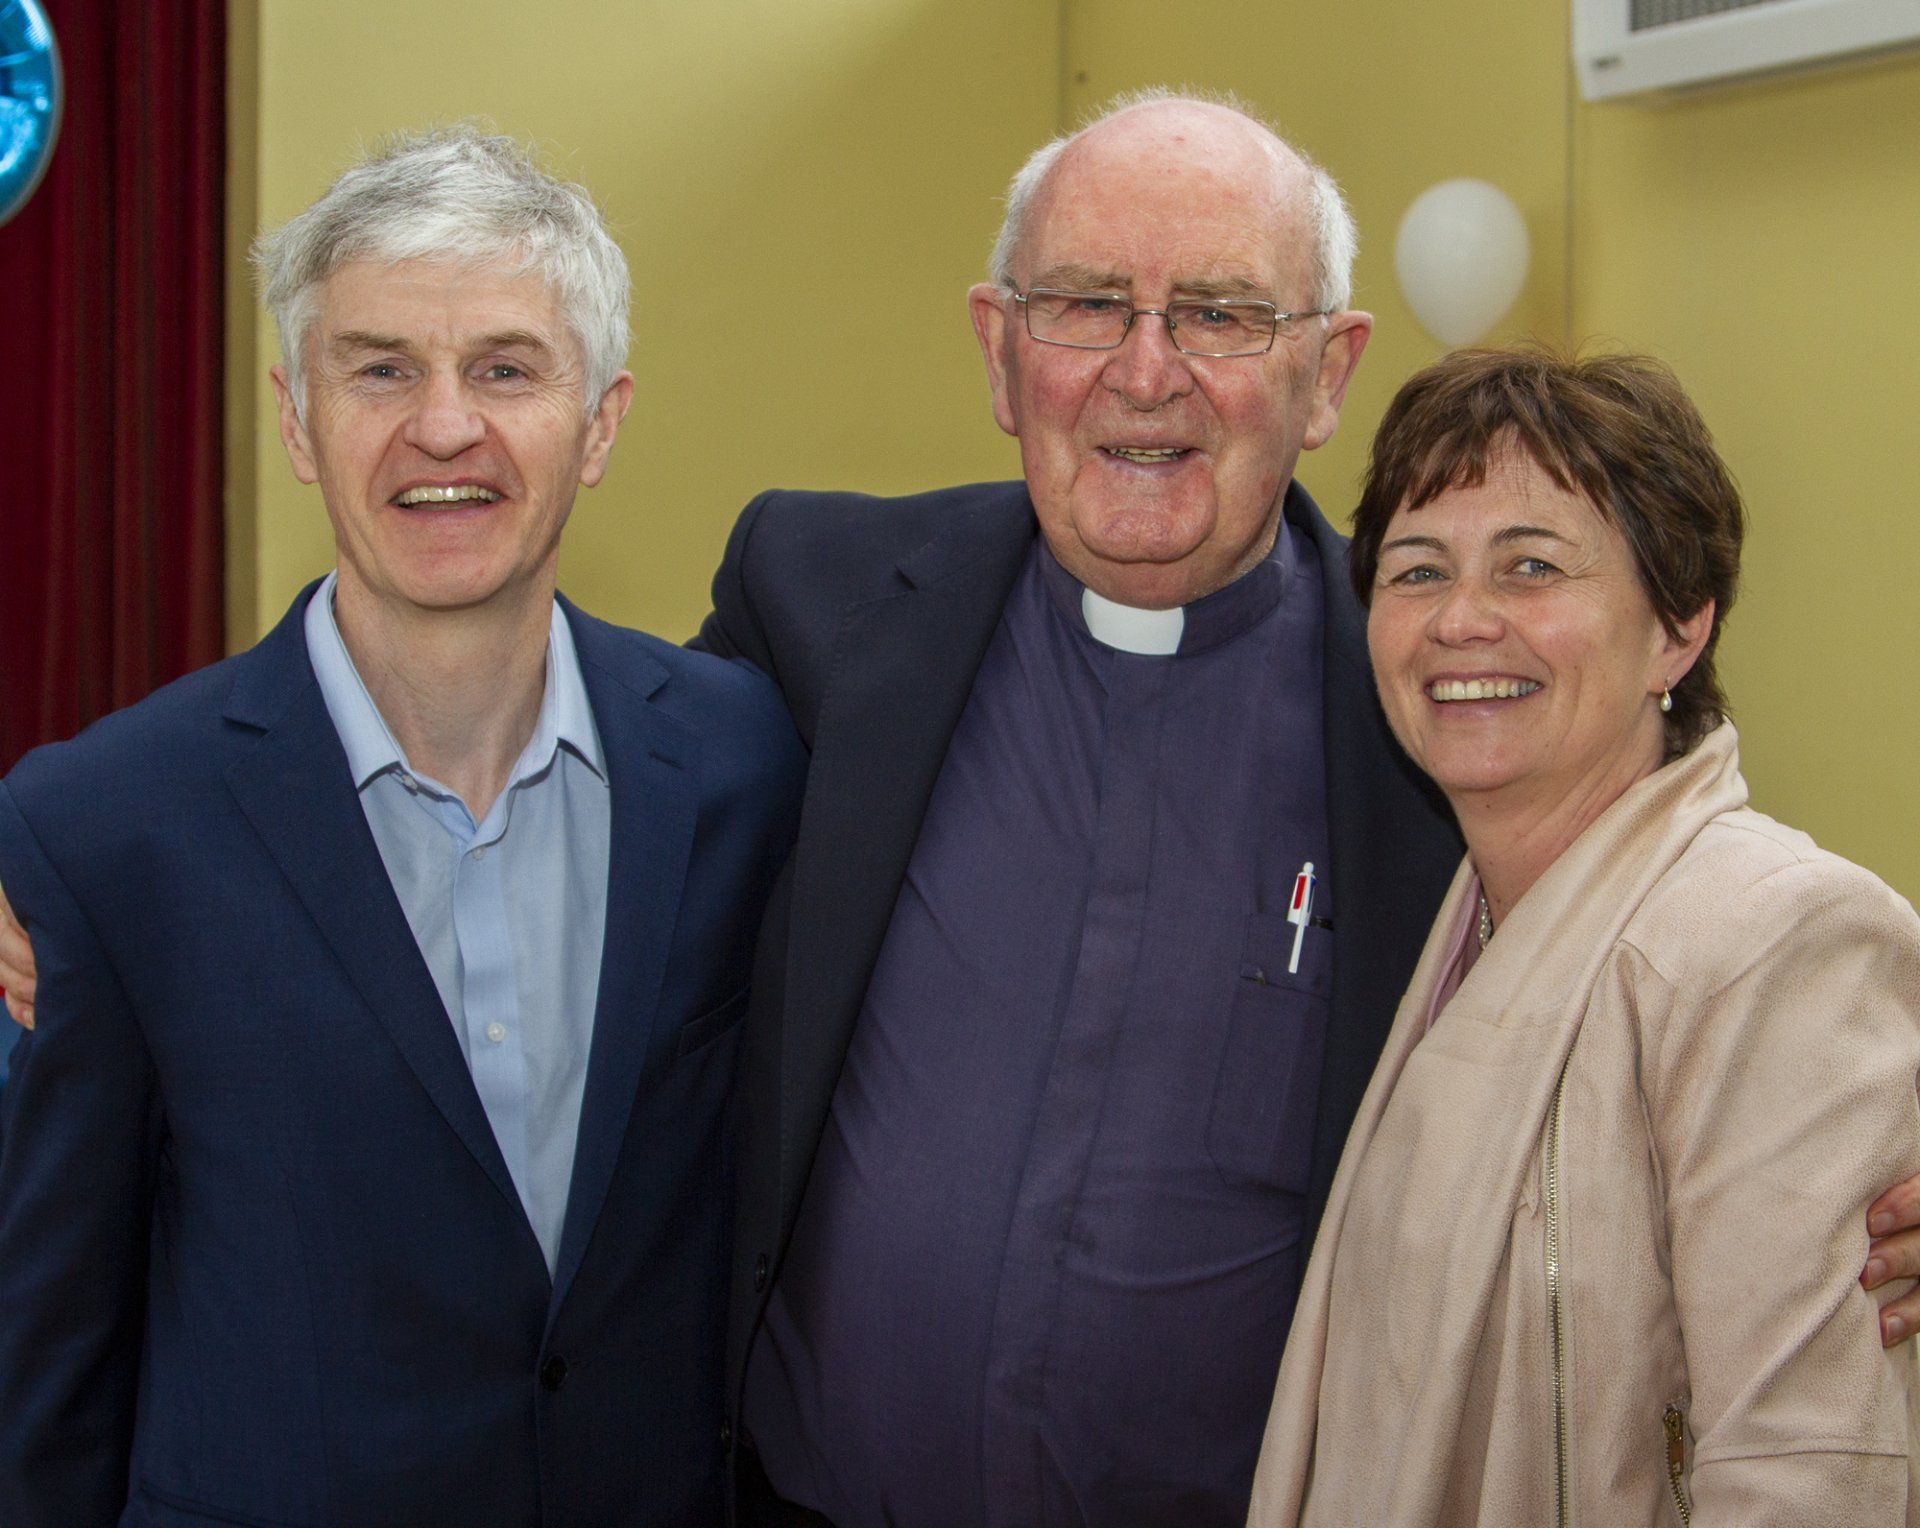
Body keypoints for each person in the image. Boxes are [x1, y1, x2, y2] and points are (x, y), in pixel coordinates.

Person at [6, 91, 1920, 1528]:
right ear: (1000, 348)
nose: (1145, 374)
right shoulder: (816, 628)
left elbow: (1693, 951)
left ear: (1326, 370)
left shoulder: (1428, 700)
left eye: (1223, 315)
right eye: (1087, 304)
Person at [0, 128, 803, 1525]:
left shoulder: (745, 765)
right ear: (299, 420)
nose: (445, 426)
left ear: (601, 421)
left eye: (505, 368)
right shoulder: (100, 831)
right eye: (380, 369)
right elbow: (49, 1359)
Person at [1248, 348, 1920, 1525]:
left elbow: (1808, 1476)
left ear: (1679, 625)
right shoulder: (1454, 923)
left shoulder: (1773, 937)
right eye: (1416, 570)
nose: (1462, 620)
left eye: (1531, 566)